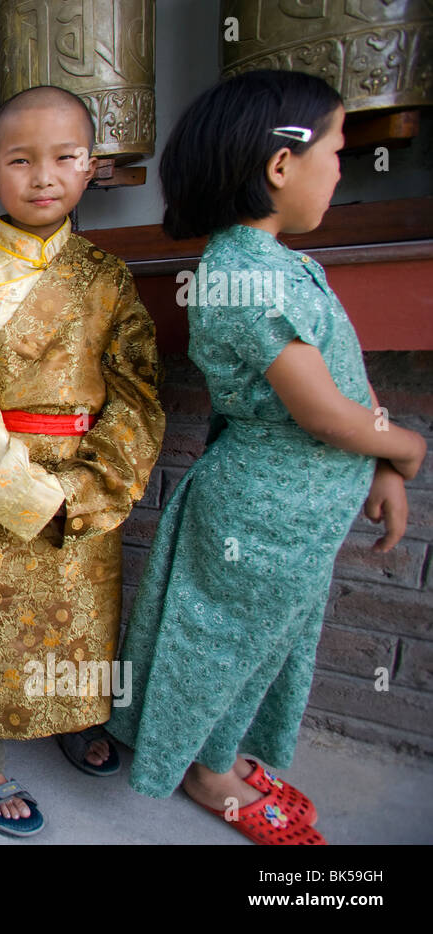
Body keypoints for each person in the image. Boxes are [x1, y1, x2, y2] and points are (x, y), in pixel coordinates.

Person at [107, 70, 426, 845]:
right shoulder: (243, 273)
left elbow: (342, 372)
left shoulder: (276, 263)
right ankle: (205, 770)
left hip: (294, 513)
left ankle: (221, 749)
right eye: (338, 150)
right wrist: (407, 446)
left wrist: (377, 463)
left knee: (264, 644)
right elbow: (319, 409)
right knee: (226, 645)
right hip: (262, 509)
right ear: (280, 166)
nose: (342, 168)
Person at [0, 86, 165, 837]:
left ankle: (70, 714)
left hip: (86, 477)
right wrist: (18, 486)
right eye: (21, 161)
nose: (44, 176)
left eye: (65, 157)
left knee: (78, 621)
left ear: (92, 168)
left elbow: (138, 385)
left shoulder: (110, 278)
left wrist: (96, 482)